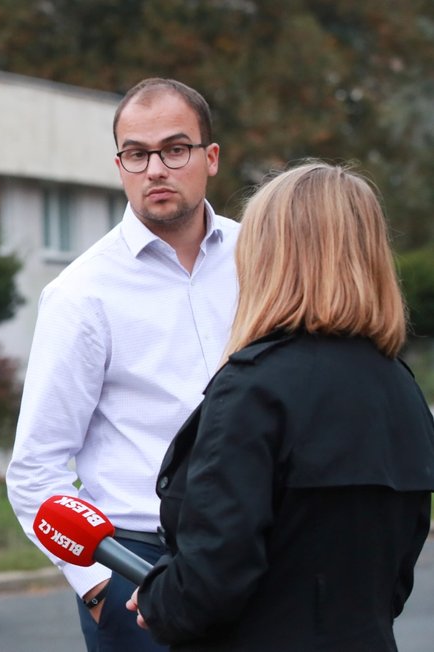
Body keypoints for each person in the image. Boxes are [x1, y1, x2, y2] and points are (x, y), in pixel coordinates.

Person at [127, 161, 434, 651]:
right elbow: (394, 576)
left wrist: (160, 599)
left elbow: (213, 577)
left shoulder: (253, 389)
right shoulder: (403, 390)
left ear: (271, 255)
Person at [6, 77, 239, 652]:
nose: (155, 168)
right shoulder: (81, 293)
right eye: (137, 154)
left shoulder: (260, 256)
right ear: (119, 166)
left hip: (253, 552)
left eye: (174, 149)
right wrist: (97, 584)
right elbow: (35, 472)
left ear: (210, 158)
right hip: (139, 570)